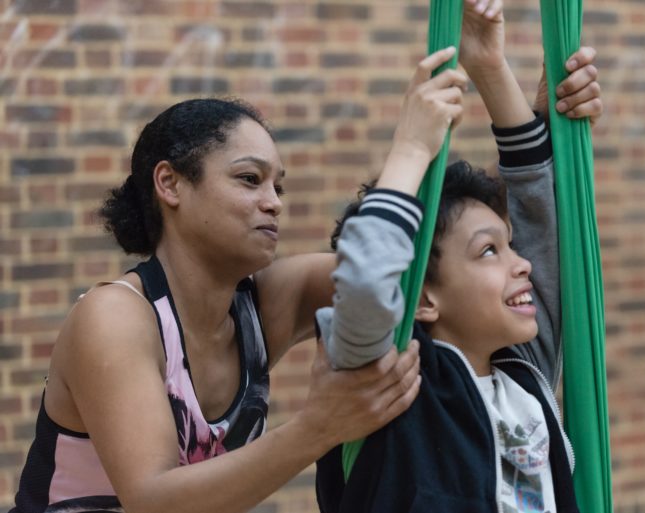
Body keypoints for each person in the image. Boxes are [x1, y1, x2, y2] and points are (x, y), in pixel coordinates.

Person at [10, 48, 468, 513]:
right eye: (250, 179)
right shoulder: (116, 317)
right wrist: (318, 427)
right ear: (169, 184)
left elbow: (408, 273)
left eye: (278, 186)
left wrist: (519, 112)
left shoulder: (266, 301)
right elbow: (152, 500)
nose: (274, 202)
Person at [315, 1, 602, 512]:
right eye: (489, 251)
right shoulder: (385, 381)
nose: (524, 264)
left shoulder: (522, 371)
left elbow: (544, 219)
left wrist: (489, 67)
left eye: (509, 245)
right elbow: (363, 280)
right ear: (422, 297)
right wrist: (410, 149)